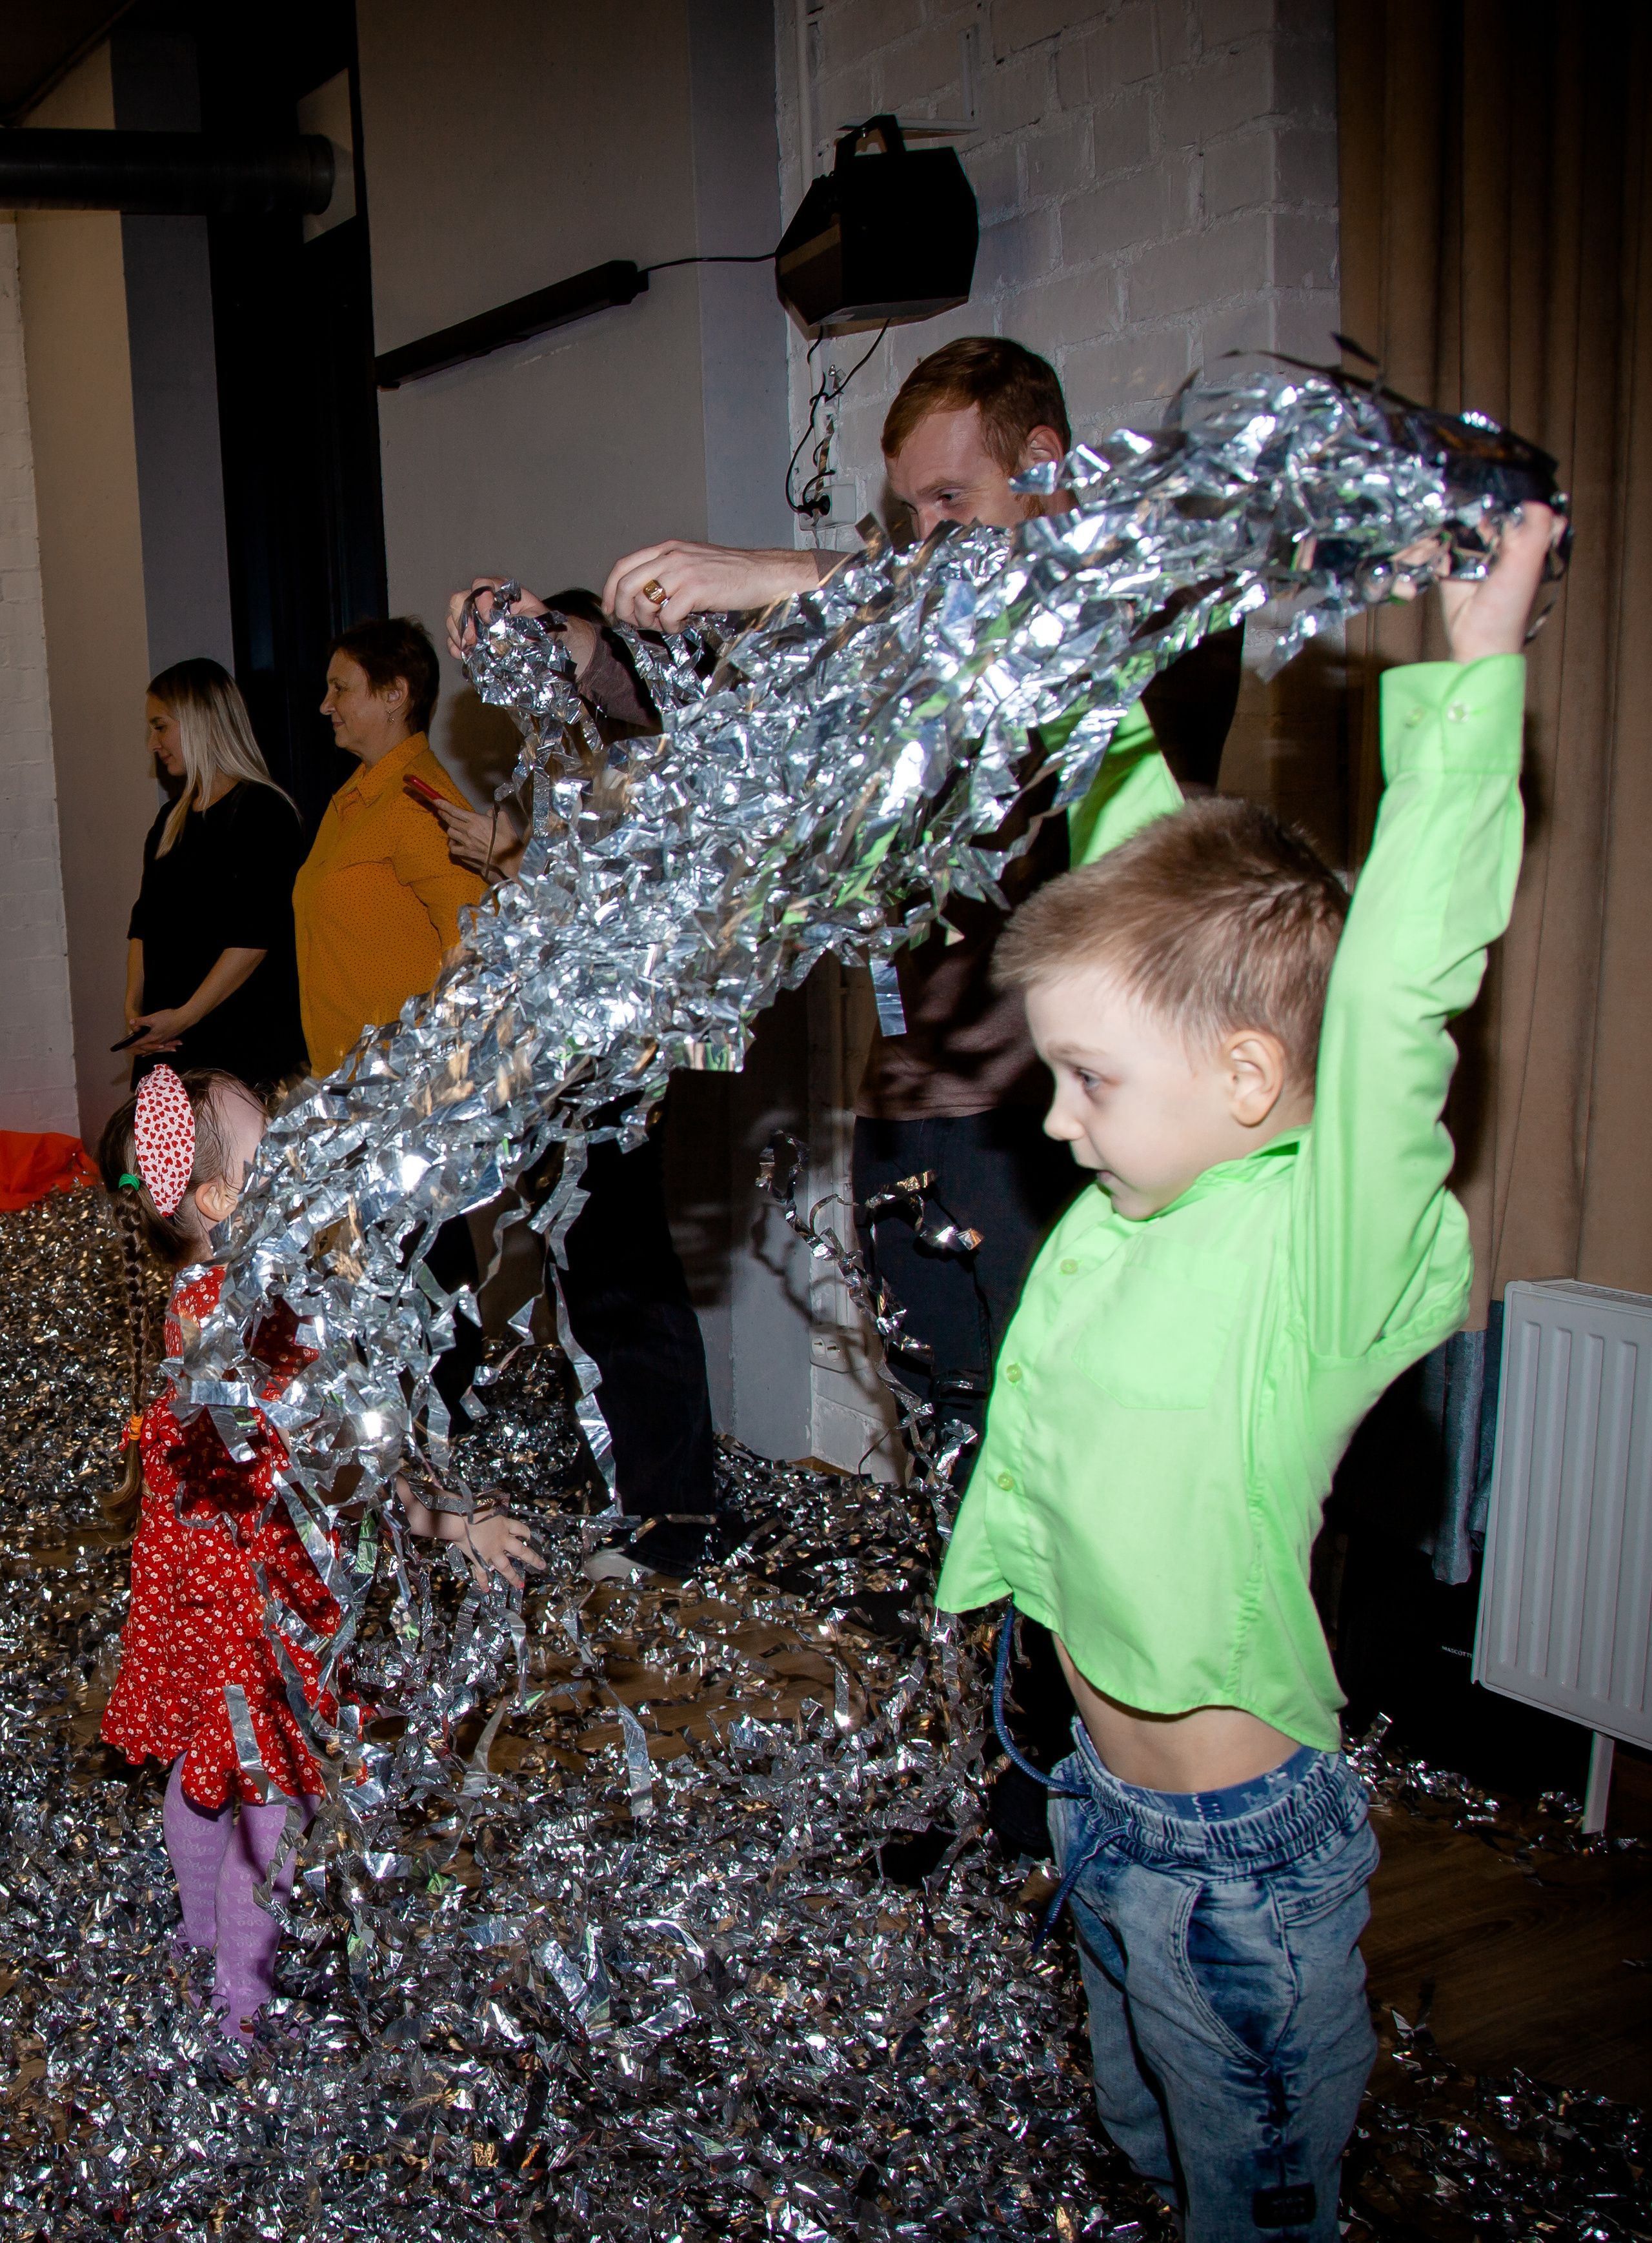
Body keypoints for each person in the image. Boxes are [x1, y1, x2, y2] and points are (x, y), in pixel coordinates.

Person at [932, 509, 1558, 2237]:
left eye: (1089, 1080)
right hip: (1099, 1806)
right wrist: (1079, 664)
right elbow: (1135, 841)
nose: (1060, 1123)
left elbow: (1401, 997)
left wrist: (1470, 675)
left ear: (1248, 1074)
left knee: (1257, 2202)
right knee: (1147, 2150)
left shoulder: (1314, 1261)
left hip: (1239, 1866)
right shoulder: (1143, 1201)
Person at [96, 1062, 540, 2042]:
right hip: (262, 1604)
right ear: (222, 1201)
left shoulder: (193, 1294)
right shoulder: (267, 1322)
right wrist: (457, 1525)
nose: (309, 1156)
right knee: (277, 1800)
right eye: (281, 1152)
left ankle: (199, 1945)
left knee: (204, 1770)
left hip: (195, 1593)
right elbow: (352, 1470)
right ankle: (241, 2008)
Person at [436, 587, 720, 1580]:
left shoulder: (637, 766)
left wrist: (510, 856)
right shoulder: (564, 772)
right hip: (567, 1070)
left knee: (627, 1287)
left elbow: (630, 920)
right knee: (592, 1290)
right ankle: (640, 1504)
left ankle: (670, 1527)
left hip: (618, 1072)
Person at [292, 618, 486, 1082]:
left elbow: (475, 947)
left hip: (397, 1082)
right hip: (344, 1076)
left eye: (341, 689)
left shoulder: (419, 802)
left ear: (395, 694)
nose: (325, 705)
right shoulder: (358, 796)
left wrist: (424, 1072)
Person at [125, 659, 307, 1094]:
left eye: (161, 727)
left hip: (240, 1046)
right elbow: (144, 922)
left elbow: (255, 936)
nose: (153, 743)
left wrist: (185, 1016)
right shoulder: (170, 819)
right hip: (168, 1045)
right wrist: (134, 1011)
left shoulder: (263, 812)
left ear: (199, 722)